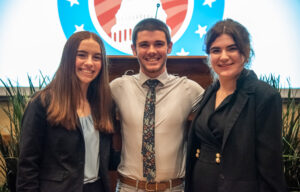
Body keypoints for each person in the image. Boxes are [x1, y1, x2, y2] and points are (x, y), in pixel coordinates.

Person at [185, 19, 286, 192]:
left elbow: (270, 167)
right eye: (216, 50)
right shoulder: (210, 92)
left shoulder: (264, 96)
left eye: (232, 48)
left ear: (245, 53)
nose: (223, 56)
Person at [110, 18, 204, 192]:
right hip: (128, 187)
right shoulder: (118, 87)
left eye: (159, 44)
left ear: (169, 47)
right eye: (144, 45)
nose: (152, 51)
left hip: (174, 188)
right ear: (134, 49)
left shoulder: (190, 90)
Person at [16, 31, 116, 192]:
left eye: (96, 57)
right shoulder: (42, 103)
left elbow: (108, 158)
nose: (90, 63)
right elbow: (28, 166)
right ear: (68, 58)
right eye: (82, 55)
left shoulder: (105, 105)